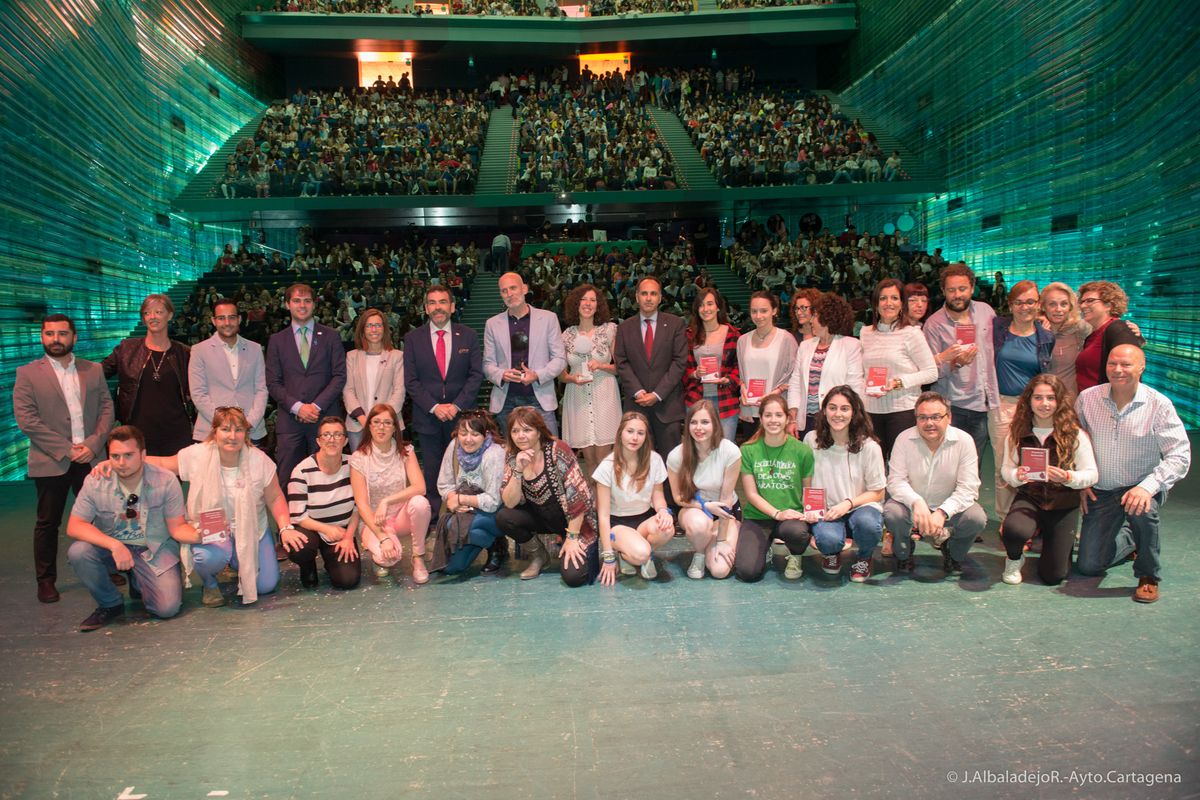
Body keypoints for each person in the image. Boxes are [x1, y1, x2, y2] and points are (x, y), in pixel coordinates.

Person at [118, 407, 290, 606]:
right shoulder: (198, 455)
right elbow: (164, 464)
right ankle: (209, 583)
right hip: (211, 530)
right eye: (225, 429)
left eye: (238, 430)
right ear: (214, 431)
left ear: (246, 433)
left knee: (265, 586)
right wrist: (124, 462)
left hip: (252, 529)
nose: (232, 436)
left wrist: (285, 527)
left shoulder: (259, 461)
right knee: (208, 557)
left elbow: (275, 497)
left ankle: (237, 560)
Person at [1075, 345, 1190, 603]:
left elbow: (1180, 455)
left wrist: (1148, 486)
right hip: (1101, 489)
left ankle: (1148, 575)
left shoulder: (1158, 404)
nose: (1118, 370)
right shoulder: (1087, 399)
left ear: (1141, 367)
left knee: (1143, 508)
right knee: (1089, 565)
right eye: (1112, 364)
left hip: (1139, 486)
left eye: (1126, 365)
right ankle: (1130, 539)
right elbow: (1076, 443)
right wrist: (1081, 481)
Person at [14, 314, 115, 603]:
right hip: (52, 461)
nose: (55, 339)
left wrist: (94, 444)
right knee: (48, 523)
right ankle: (45, 581)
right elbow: (27, 421)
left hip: (91, 459)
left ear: (74, 337)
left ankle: (108, 566)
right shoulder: (27, 373)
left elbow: (107, 409)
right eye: (49, 334)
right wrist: (67, 449)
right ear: (42, 337)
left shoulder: (93, 370)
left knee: (102, 517)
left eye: (61, 333)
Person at [66, 426, 198, 631]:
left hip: (153, 548)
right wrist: (114, 545)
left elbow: (177, 527)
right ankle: (110, 603)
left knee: (167, 609)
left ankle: (139, 579)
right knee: (79, 552)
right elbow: (74, 526)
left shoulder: (166, 480)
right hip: (112, 548)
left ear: (143, 454)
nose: (121, 463)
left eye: (128, 455)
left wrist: (202, 534)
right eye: (115, 456)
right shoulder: (96, 480)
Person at [999, 375, 1098, 586]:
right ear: (1029, 400)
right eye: (1038, 398)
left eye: (1051, 398)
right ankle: (1014, 558)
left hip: (1063, 503)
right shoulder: (1017, 432)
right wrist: (1017, 476)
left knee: (1053, 576)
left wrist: (1069, 477)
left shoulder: (1075, 434)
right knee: (1014, 530)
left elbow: (1091, 473)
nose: (1044, 404)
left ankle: (1060, 543)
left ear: (1059, 401)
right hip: (1031, 498)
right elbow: (1006, 469)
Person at [402, 285, 484, 524]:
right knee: (433, 469)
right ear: (426, 308)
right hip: (428, 417)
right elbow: (411, 380)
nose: (438, 307)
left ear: (452, 306)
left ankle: (467, 517)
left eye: (442, 302)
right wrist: (435, 407)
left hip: (462, 419)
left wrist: (456, 406)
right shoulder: (413, 338)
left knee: (467, 468)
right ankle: (438, 519)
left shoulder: (468, 335)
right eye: (432, 303)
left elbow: (475, 375)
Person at [885, 391, 988, 575]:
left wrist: (943, 512)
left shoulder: (964, 441)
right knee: (892, 513)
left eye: (936, 417)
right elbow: (895, 481)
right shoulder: (903, 439)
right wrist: (916, 502)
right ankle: (903, 552)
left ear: (949, 417)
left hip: (949, 507)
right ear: (915, 418)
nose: (929, 423)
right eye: (922, 417)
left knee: (976, 518)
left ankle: (953, 552)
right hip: (912, 506)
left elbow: (968, 487)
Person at [496, 406, 599, 586]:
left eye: (527, 430)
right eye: (515, 431)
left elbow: (579, 497)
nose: (521, 436)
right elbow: (509, 502)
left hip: (573, 521)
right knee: (505, 517)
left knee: (574, 578)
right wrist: (518, 471)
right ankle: (539, 555)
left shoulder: (557, 450)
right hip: (542, 516)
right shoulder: (513, 456)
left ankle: (574, 544)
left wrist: (573, 538)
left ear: (539, 431)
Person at [266, 283, 348, 492]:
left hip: (325, 419)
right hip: (290, 421)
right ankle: (289, 524)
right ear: (287, 304)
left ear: (314, 304)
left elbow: (339, 376)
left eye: (307, 301)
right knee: (289, 478)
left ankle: (325, 523)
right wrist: (298, 407)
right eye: (296, 301)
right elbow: (273, 382)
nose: (302, 305)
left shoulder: (331, 336)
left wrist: (316, 406)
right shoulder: (276, 340)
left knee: (327, 478)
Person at [613, 275, 689, 502]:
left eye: (653, 293)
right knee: (635, 459)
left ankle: (673, 508)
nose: (648, 298)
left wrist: (657, 394)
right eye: (644, 293)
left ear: (660, 298)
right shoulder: (625, 327)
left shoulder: (675, 324)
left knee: (671, 461)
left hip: (667, 405)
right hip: (636, 406)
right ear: (636, 297)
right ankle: (640, 507)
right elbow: (622, 362)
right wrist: (638, 392)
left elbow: (679, 362)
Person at [803, 387, 886, 582]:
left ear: (854, 412)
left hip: (861, 506)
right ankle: (831, 553)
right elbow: (805, 478)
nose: (837, 414)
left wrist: (848, 503)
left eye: (844, 409)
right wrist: (811, 507)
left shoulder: (870, 446)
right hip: (828, 509)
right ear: (824, 411)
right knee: (828, 540)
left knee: (869, 525)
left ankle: (864, 557)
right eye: (832, 408)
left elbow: (878, 492)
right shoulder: (811, 439)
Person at [987, 281, 1055, 519]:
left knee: (1032, 464)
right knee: (1003, 465)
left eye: (1030, 302)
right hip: (1002, 405)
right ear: (1010, 304)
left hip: (1035, 408)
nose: (1024, 307)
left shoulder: (1046, 336)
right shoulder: (997, 328)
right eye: (1019, 302)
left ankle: (1029, 517)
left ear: (1038, 304)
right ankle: (1007, 517)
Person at [922, 263, 996, 463]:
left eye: (962, 289)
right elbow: (928, 371)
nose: (957, 295)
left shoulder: (986, 312)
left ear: (972, 288)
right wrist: (954, 363)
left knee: (974, 465)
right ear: (943, 291)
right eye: (951, 290)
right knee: (948, 464)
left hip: (983, 402)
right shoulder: (934, 324)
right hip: (952, 405)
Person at [350, 404, 432, 584]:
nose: (381, 427)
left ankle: (418, 557)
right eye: (377, 422)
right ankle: (377, 553)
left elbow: (420, 487)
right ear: (369, 426)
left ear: (395, 427)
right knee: (389, 557)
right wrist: (383, 537)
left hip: (400, 517)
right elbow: (362, 505)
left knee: (420, 503)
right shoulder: (359, 458)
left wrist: (386, 501)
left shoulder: (406, 451)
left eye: (387, 423)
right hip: (374, 521)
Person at [736, 394, 814, 582]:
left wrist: (810, 513)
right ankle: (765, 547)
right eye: (768, 415)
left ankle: (795, 555)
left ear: (787, 418)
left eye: (778, 415)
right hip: (758, 516)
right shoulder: (747, 450)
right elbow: (751, 494)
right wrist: (777, 513)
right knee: (747, 572)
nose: (773, 420)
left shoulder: (802, 451)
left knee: (797, 533)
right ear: (761, 418)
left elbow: (807, 491)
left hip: (791, 516)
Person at [102, 294, 192, 456]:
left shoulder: (184, 353)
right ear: (143, 318)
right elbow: (98, 374)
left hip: (176, 434)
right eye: (147, 313)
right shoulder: (126, 349)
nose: (153, 317)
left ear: (170, 315)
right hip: (136, 435)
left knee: (172, 481)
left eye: (159, 312)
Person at [858, 278, 938, 461]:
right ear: (876, 304)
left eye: (894, 298)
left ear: (902, 303)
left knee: (901, 468)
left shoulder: (912, 333)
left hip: (903, 411)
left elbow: (931, 372)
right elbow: (862, 372)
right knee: (873, 467)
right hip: (871, 411)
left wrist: (898, 382)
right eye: (883, 298)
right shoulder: (865, 333)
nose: (888, 303)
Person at [593, 411, 675, 585]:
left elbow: (658, 495)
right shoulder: (607, 466)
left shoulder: (654, 460)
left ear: (646, 437)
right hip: (618, 524)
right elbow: (603, 515)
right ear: (620, 433)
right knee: (641, 553)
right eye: (630, 431)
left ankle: (634, 553)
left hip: (644, 519)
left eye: (640, 433)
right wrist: (608, 556)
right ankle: (629, 553)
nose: (634, 438)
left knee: (667, 528)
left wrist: (663, 511)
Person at [483, 271, 566, 436]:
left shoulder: (549, 319)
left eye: (513, 288)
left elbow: (560, 359)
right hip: (506, 400)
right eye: (504, 290)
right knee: (513, 458)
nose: (509, 294)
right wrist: (502, 374)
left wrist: (537, 375)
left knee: (548, 455)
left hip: (539, 398)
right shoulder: (492, 324)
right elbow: (487, 364)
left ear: (525, 289)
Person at [668, 400, 742, 580]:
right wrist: (705, 506)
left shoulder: (730, 451)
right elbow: (678, 497)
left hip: (727, 512)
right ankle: (700, 553)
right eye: (694, 422)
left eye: (705, 422)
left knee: (719, 571)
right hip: (695, 509)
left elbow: (725, 500)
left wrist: (723, 540)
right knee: (700, 526)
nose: (698, 428)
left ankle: (715, 539)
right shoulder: (677, 455)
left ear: (715, 424)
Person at [287, 416, 361, 591]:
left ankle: (331, 560)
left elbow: (360, 506)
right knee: (300, 548)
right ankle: (308, 565)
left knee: (347, 581)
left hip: (341, 531)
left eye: (337, 435)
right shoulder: (302, 470)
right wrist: (326, 529)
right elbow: (298, 516)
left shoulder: (355, 465)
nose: (332, 439)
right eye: (326, 435)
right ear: (318, 441)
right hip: (311, 528)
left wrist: (349, 537)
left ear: (346, 440)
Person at [429, 410, 507, 576]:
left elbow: (493, 501)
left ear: (485, 435)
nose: (468, 439)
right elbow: (444, 483)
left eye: (474, 434)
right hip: (464, 512)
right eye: (463, 433)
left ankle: (497, 544)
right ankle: (490, 542)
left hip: (493, 513)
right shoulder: (454, 446)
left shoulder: (494, 454)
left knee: (452, 524)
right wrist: (452, 499)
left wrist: (461, 499)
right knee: (452, 568)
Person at [559, 283, 622, 481]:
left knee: (604, 459)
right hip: (578, 397)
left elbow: (620, 368)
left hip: (604, 395)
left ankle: (608, 505)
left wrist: (601, 366)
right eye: (583, 299)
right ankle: (594, 506)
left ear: (598, 305)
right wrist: (571, 378)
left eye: (592, 300)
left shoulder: (610, 330)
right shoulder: (566, 335)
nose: (588, 304)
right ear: (575, 304)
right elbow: (561, 374)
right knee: (590, 460)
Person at [188, 298, 268, 446]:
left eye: (231, 317)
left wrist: (250, 421)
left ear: (239, 319)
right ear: (213, 320)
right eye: (221, 318)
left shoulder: (255, 349)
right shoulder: (199, 351)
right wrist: (223, 424)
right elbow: (198, 393)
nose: (227, 323)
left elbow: (261, 389)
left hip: (251, 430)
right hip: (211, 431)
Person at [787, 292, 864, 439]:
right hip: (806, 421)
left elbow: (854, 387)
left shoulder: (851, 345)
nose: (811, 321)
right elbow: (795, 383)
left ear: (827, 318)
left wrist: (846, 417)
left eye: (815, 316)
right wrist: (792, 418)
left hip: (837, 420)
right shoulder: (804, 346)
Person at [683, 287, 741, 441]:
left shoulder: (733, 334)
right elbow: (682, 367)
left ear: (718, 307)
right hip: (696, 399)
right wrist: (694, 373)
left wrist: (729, 379)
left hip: (726, 401)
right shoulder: (689, 335)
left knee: (725, 450)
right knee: (698, 451)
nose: (705, 309)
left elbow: (739, 366)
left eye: (710, 304)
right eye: (701, 305)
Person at [343, 308, 405, 451]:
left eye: (378, 325)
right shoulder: (351, 356)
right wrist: (364, 420)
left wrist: (381, 421)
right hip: (358, 425)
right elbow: (348, 391)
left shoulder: (397, 356)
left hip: (389, 425)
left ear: (384, 328)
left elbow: (399, 391)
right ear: (362, 329)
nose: (374, 329)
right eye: (369, 325)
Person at [736, 291, 797, 435]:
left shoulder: (787, 339)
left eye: (764, 311)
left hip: (776, 412)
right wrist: (742, 389)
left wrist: (774, 393)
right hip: (750, 411)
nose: (758, 316)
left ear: (774, 311)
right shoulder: (742, 340)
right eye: (754, 311)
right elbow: (741, 376)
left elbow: (794, 377)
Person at [1074, 281, 1143, 393]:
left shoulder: (1118, 329)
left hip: (1108, 406)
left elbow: (1129, 376)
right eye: (1081, 302)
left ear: (1108, 305)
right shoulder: (1092, 335)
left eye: (1090, 301)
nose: (1082, 306)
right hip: (1089, 405)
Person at [1039, 282, 1089, 397]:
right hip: (1041, 403)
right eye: (1052, 304)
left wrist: (1132, 333)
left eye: (1064, 304)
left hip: (1070, 404)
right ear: (1043, 306)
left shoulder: (1081, 329)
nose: (1058, 309)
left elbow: (1106, 332)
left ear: (1070, 306)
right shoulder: (1034, 331)